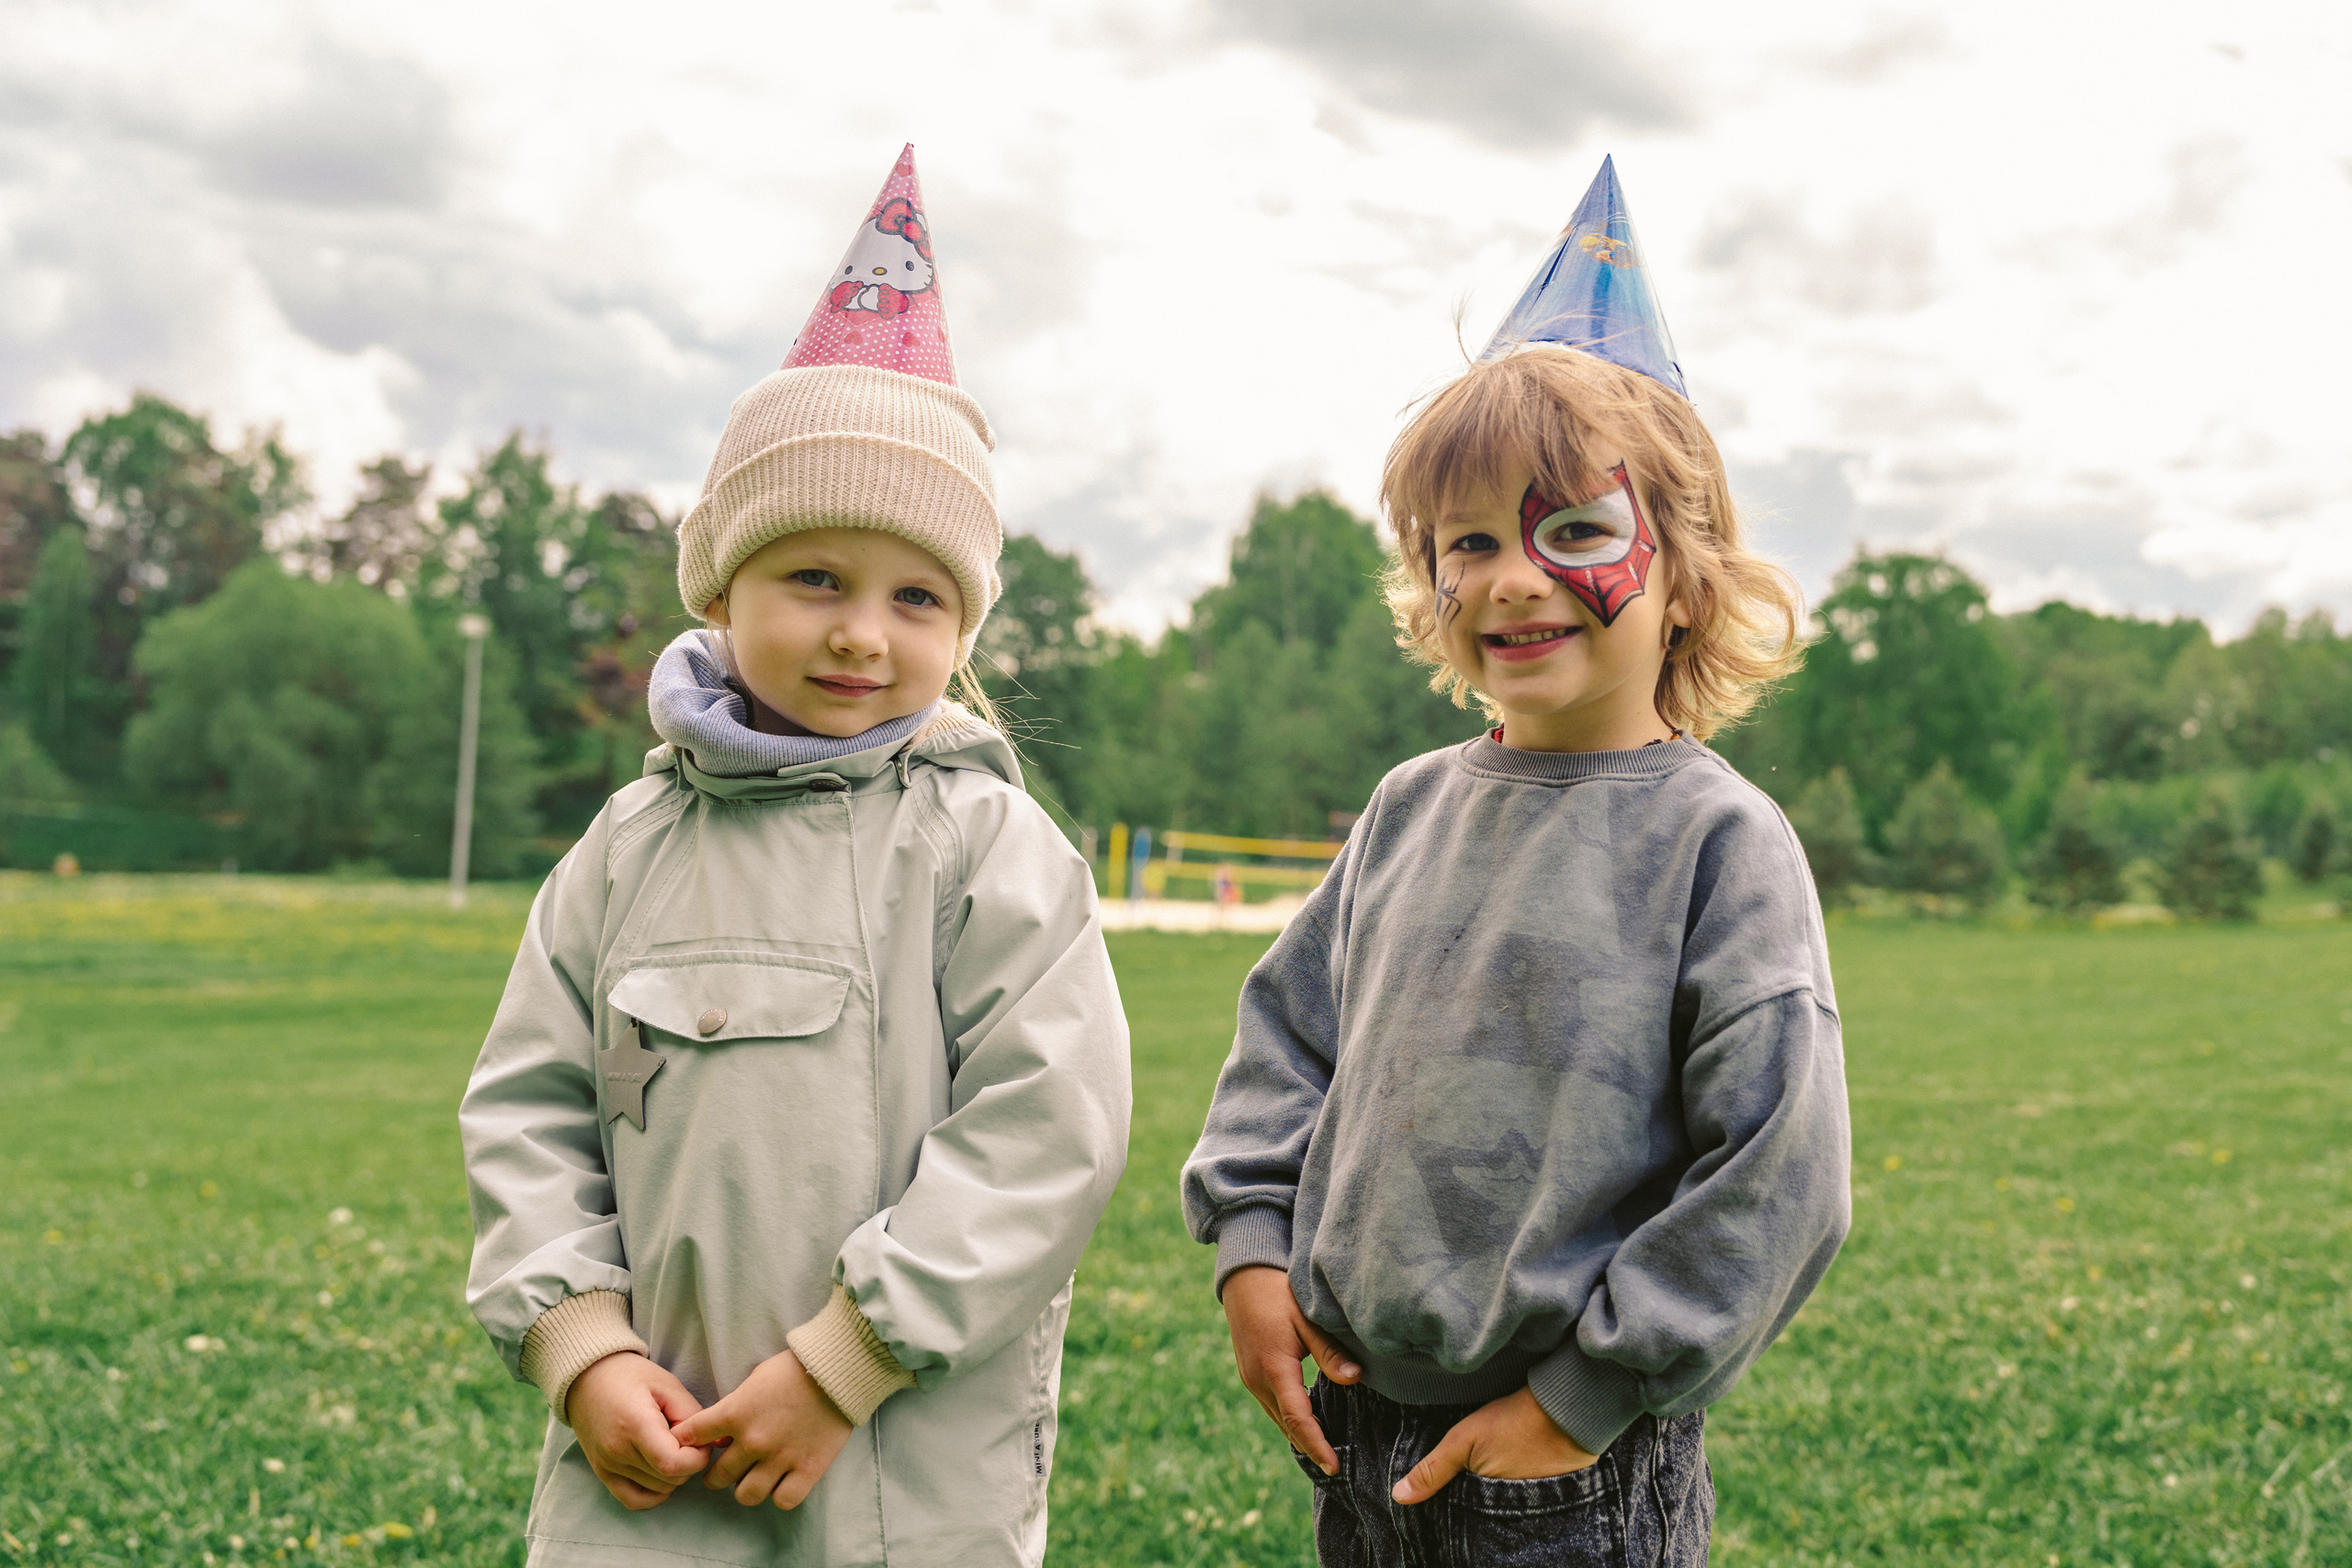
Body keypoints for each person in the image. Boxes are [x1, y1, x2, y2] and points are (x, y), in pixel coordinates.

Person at [460, 145, 1130, 1568]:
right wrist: (579, 1347)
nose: (860, 634)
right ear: (721, 580)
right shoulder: (631, 845)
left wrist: (848, 1361)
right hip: (652, 1448)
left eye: (916, 596)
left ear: (965, 625)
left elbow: (1045, 1131)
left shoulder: (984, 844)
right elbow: (529, 1104)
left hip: (902, 1461)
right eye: (813, 577)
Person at [1180, 158, 1851, 1567]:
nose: (1508, 577)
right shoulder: (1407, 808)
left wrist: (1584, 1396)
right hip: (1363, 1437)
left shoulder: (1718, 843)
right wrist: (1250, 1238)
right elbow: (1289, 1037)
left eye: (1574, 531)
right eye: (1466, 541)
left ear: (1682, 569)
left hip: (1574, 1476)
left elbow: (1779, 1168)